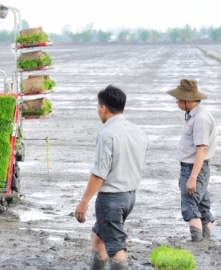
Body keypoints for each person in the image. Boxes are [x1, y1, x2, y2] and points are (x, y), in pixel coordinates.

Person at [75, 85, 149, 270]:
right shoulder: (138, 131)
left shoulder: (106, 133)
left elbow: (99, 173)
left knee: (115, 246)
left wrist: (84, 202)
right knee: (98, 237)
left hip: (111, 199)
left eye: (98, 107)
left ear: (104, 108)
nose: (98, 111)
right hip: (130, 196)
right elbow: (138, 166)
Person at [166, 79, 216, 242]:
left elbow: (201, 149)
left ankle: (198, 243)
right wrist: (184, 175)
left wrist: (192, 177)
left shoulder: (200, 118)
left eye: (179, 99)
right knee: (201, 204)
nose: (176, 102)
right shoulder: (194, 114)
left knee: (190, 206)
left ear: (188, 100)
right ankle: (206, 241)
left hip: (196, 168)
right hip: (193, 168)